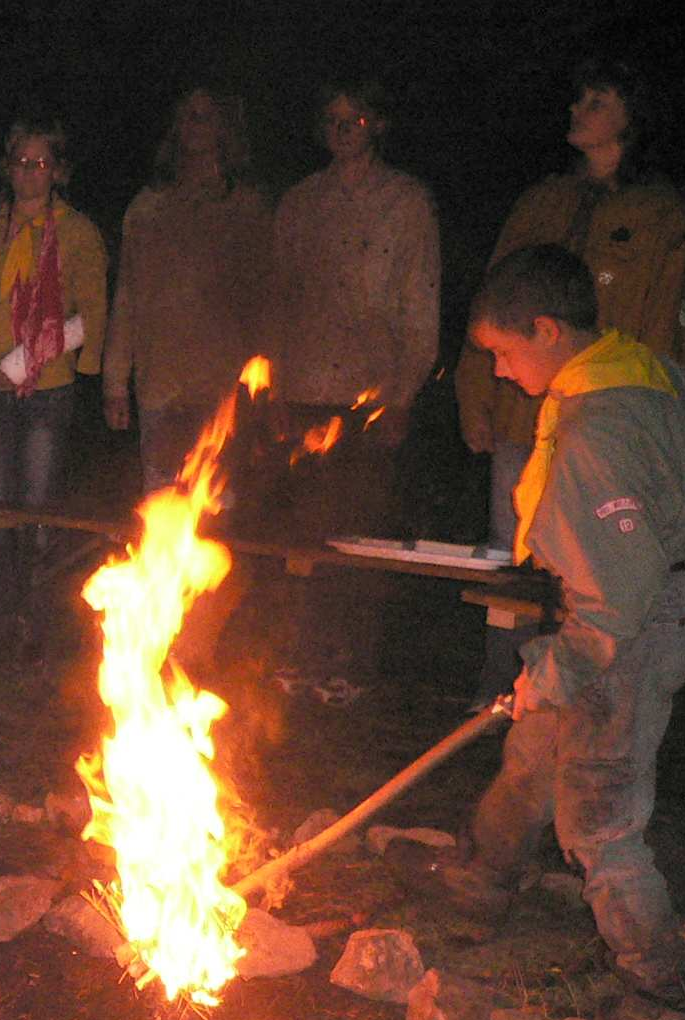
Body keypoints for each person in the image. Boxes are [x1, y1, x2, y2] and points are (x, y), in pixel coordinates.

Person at [395, 246, 685, 1010]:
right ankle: (481, 885)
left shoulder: (596, 433)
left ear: (547, 330)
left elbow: (616, 602)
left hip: (632, 627)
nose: (503, 373)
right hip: (637, 599)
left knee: (598, 812)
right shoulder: (640, 373)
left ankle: (658, 981)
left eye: (505, 354)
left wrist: (552, 669)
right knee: (533, 753)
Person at [454, 59, 685, 701]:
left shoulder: (660, 215)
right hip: (521, 415)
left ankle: (582, 683)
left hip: (605, 426)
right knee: (514, 553)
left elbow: (669, 326)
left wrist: (649, 423)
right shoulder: (544, 202)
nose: (578, 108)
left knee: (592, 558)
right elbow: (495, 305)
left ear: (632, 116)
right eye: (579, 97)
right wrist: (476, 392)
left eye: (598, 99)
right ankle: (504, 685)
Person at [267, 80, 439, 694]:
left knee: (363, 532)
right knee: (304, 533)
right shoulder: (300, 204)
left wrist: (404, 394)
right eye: (333, 119)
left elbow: (420, 303)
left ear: (377, 125)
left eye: (355, 119)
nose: (343, 130)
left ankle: (352, 661)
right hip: (309, 384)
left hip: (373, 389)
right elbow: (280, 302)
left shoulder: (406, 202)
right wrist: (278, 389)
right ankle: (302, 651)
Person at [0, 114, 107, 650]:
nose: (29, 173)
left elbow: (91, 313)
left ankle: (34, 627)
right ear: (7, 168)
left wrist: (27, 358)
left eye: (40, 163)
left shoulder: (78, 233)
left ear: (58, 171)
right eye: (20, 163)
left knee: (38, 516)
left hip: (47, 392)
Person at [102, 87, 270, 491]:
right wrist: (114, 381)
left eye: (205, 117)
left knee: (215, 510)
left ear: (223, 129)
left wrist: (264, 386)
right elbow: (127, 298)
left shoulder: (244, 209)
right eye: (188, 117)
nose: (195, 127)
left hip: (221, 386)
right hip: (161, 384)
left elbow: (263, 302)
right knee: (162, 509)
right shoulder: (147, 209)